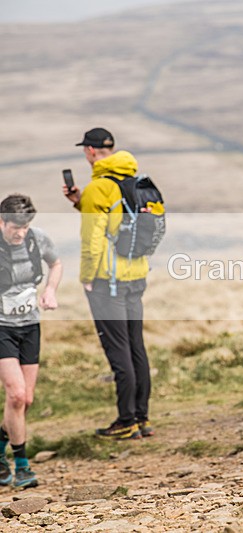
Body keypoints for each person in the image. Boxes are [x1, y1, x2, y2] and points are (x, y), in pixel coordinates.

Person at [63, 127, 153, 440]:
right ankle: (141, 418)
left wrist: (87, 278)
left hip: (107, 281)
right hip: (136, 276)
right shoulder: (136, 180)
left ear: (89, 152)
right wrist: (80, 202)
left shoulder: (98, 187)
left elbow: (93, 240)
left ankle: (126, 419)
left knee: (119, 351)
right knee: (136, 347)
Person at [0, 194, 62, 488]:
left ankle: (0, 449)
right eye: (15, 227)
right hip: (2, 329)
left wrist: (50, 290)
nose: (20, 233)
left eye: (25, 227)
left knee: (26, 400)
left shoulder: (38, 240)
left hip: (30, 326)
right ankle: (22, 467)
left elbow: (57, 263)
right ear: (2, 221)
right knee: (15, 395)